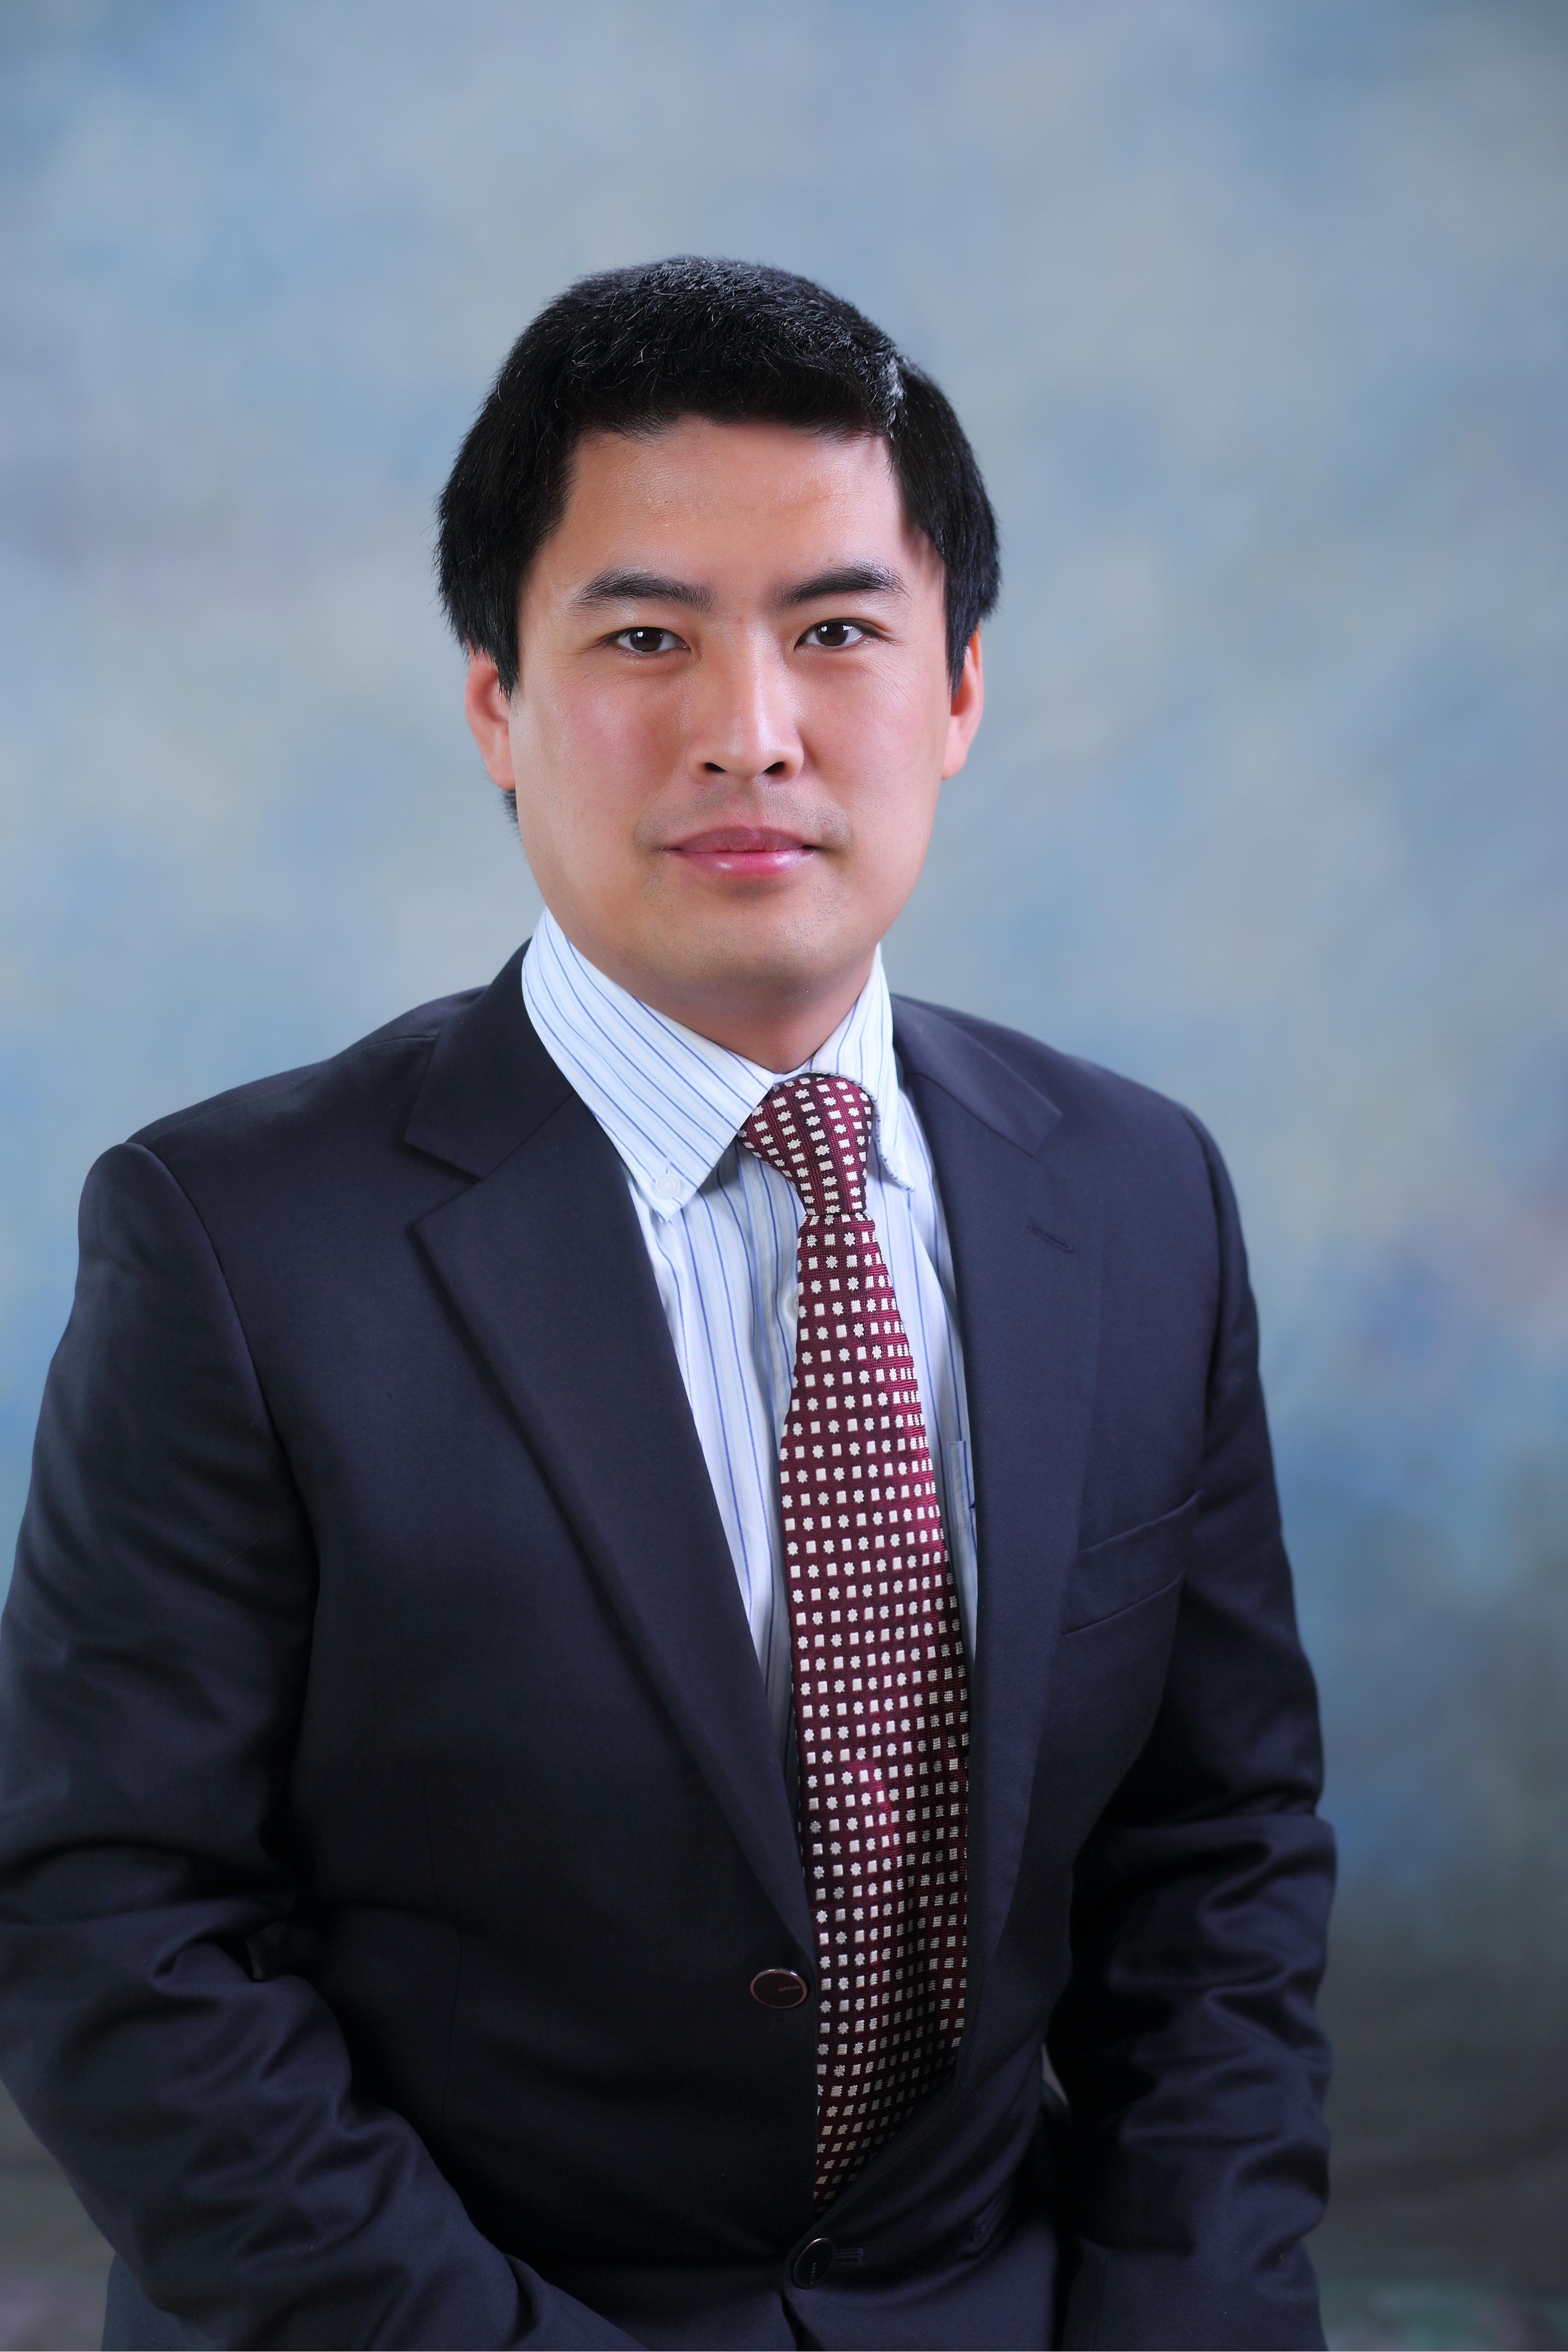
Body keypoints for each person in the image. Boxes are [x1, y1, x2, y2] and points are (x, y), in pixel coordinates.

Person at [0, 258, 1333, 2352]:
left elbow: (1219, 1860)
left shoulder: (1138, 1193)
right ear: (494, 703)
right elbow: (114, 1921)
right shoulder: (231, 1242)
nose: (750, 730)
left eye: (837, 630)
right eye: (644, 637)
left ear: (959, 688)